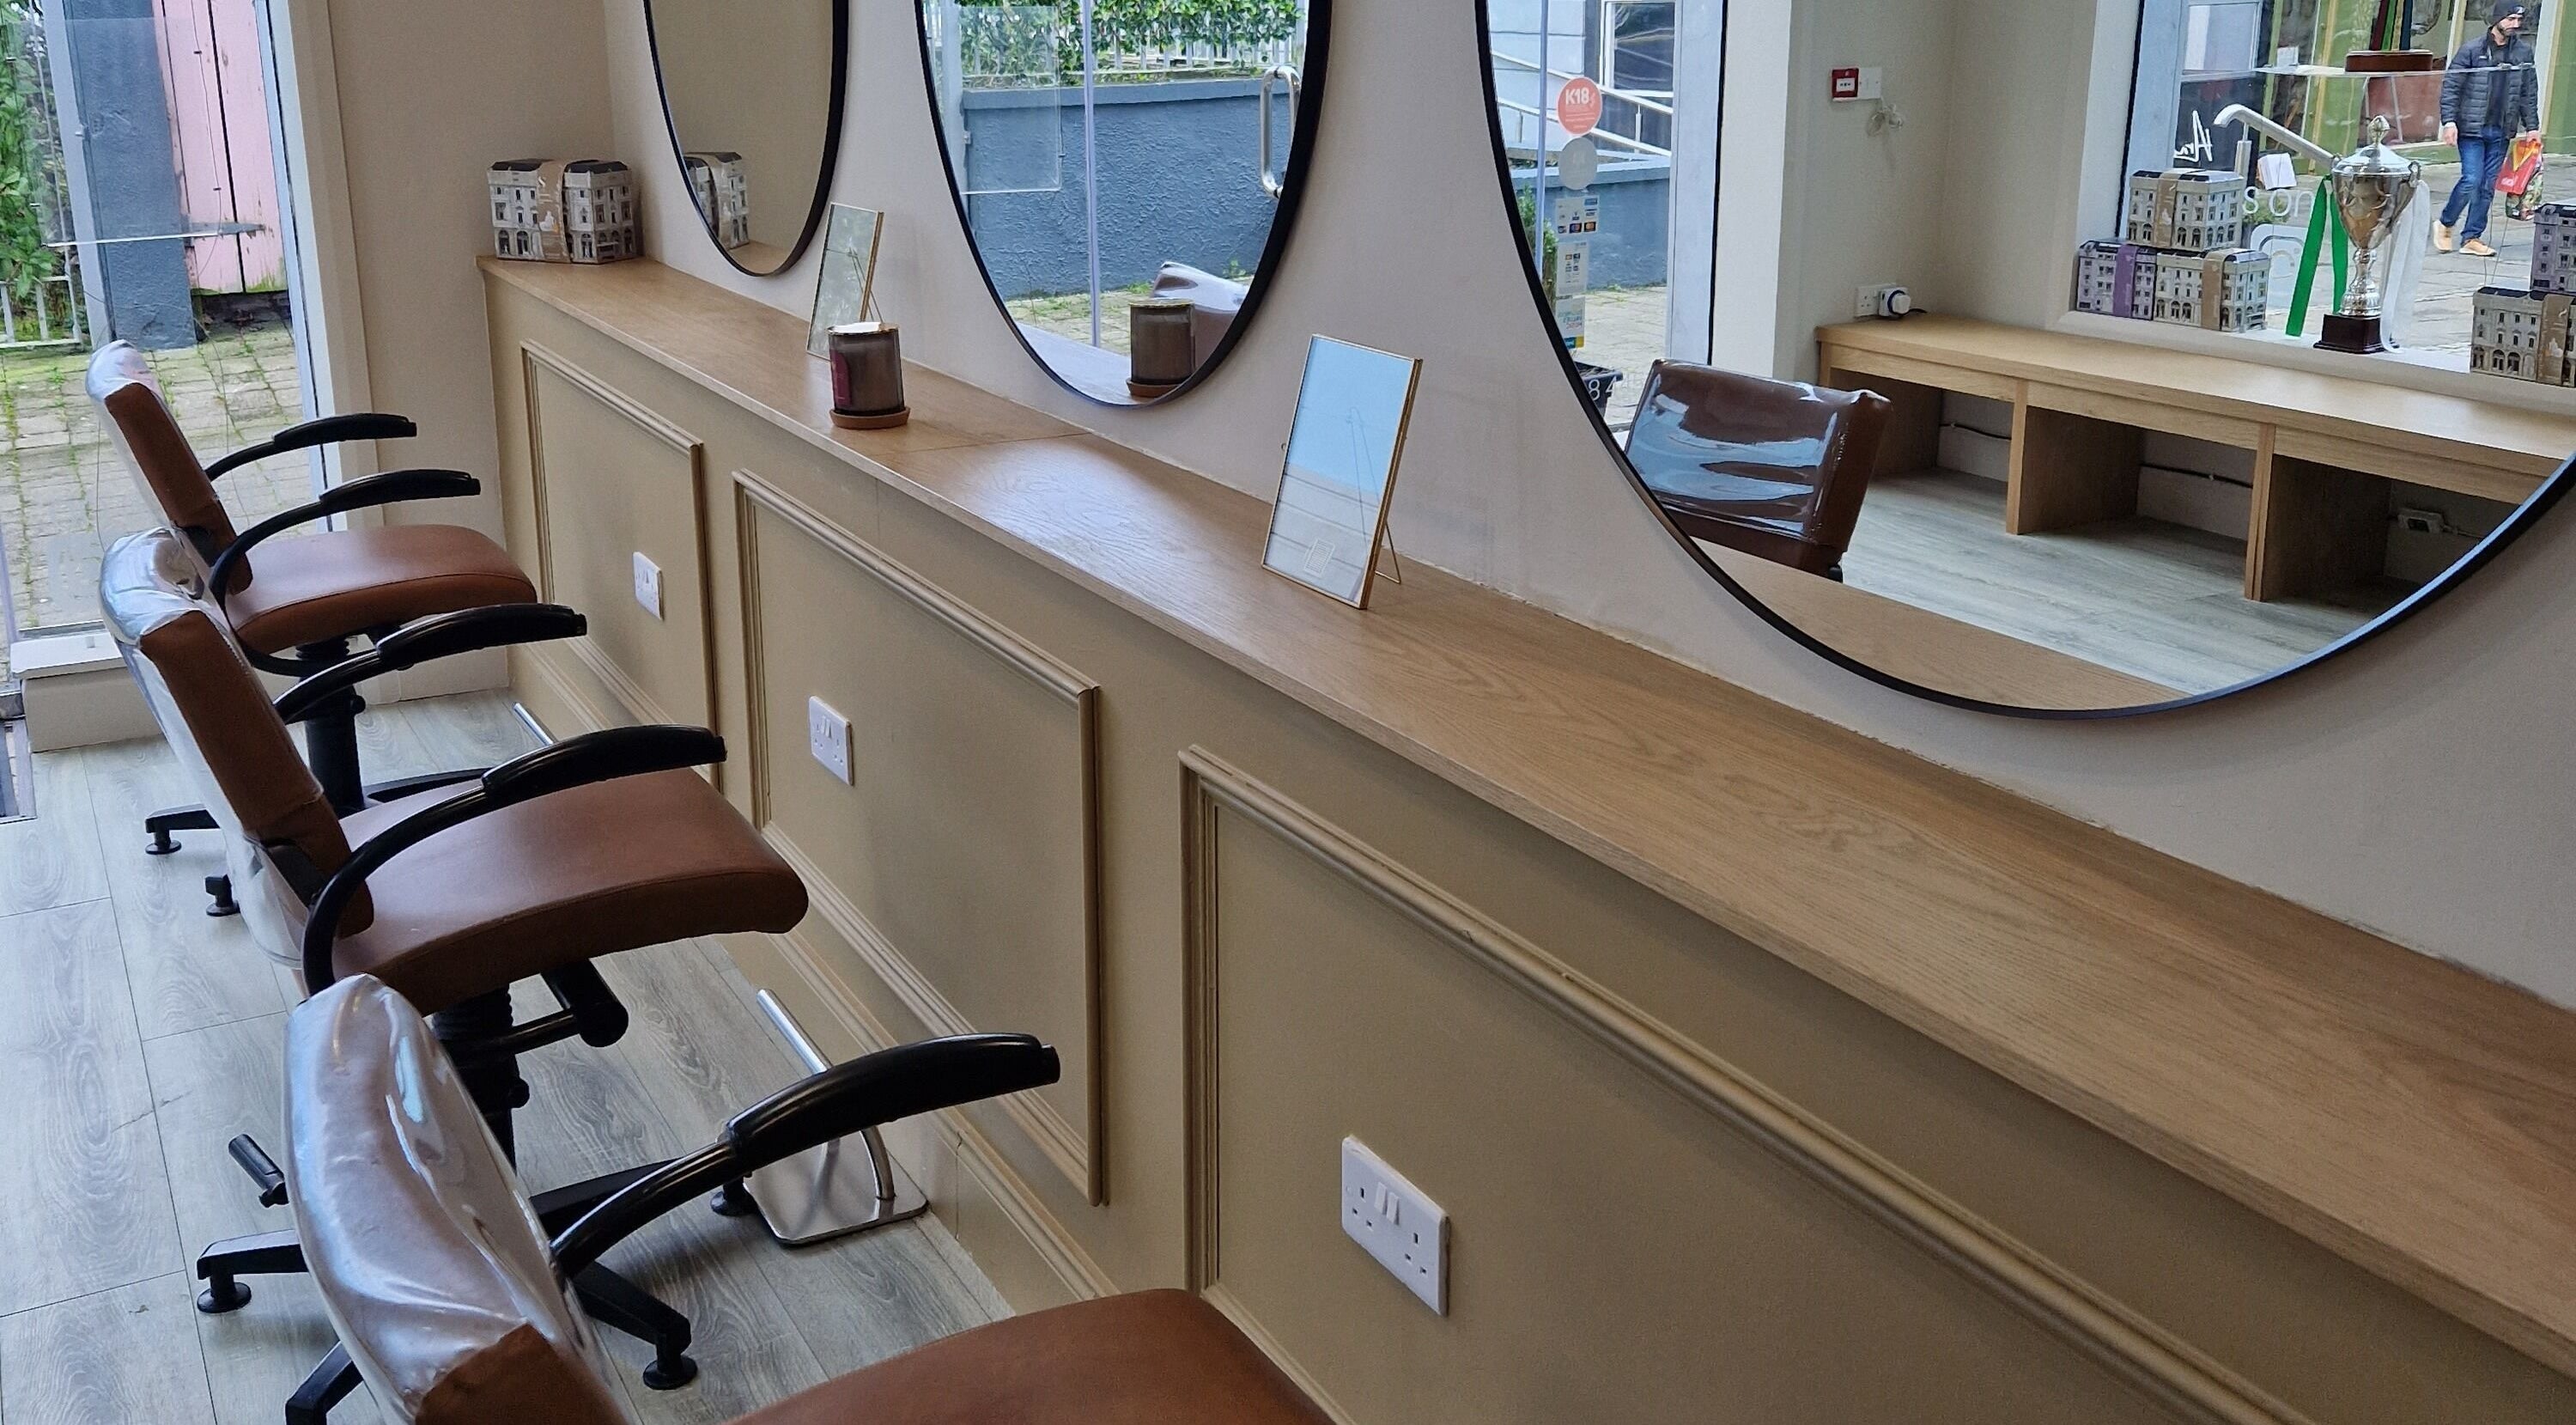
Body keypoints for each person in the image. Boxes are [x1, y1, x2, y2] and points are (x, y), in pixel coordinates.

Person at [2437, 1, 2540, 259]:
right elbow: (2452, 87)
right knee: (2471, 179)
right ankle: (2446, 222)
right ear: (2496, 19)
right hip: (2471, 127)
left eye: (2518, 20)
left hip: (2501, 129)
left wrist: (2532, 127)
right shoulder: (2472, 50)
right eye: (2510, 19)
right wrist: (2449, 122)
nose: (2515, 25)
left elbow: (2529, 92)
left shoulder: (2523, 53)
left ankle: (2472, 236)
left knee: (2487, 186)